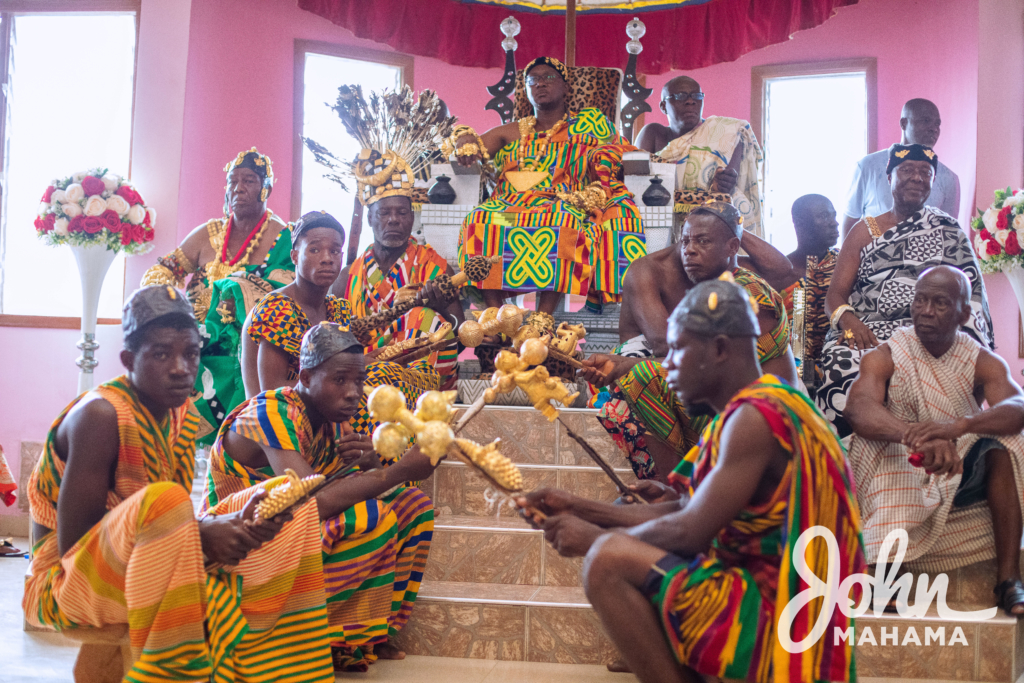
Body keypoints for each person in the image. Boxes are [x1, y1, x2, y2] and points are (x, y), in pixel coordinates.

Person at [518, 279, 864, 683]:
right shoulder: (754, 407)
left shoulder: (757, 416)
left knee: (607, 561)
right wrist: (576, 507)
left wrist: (592, 536)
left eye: (677, 352)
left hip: (787, 624)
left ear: (718, 348)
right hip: (785, 612)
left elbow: (689, 532)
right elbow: (686, 507)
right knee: (628, 515)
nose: (667, 368)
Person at [23, 286, 334, 682]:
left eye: (190, 354)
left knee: (289, 498)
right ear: (128, 360)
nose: (180, 368)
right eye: (160, 354)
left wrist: (237, 524)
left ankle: (280, 670)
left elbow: (165, 518)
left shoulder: (183, 415)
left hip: (148, 552)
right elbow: (76, 546)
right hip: (68, 583)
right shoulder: (100, 416)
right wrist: (200, 534)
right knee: (169, 500)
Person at [205, 323, 438, 671]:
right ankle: (300, 634)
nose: (353, 393)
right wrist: (397, 470)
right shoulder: (272, 410)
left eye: (359, 381)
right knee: (370, 517)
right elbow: (312, 504)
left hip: (286, 537)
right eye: (340, 380)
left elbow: (341, 488)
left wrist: (371, 463)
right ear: (306, 375)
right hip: (240, 543)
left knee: (413, 507)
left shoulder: (330, 420)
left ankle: (361, 634)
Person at [845, 266, 1024, 615]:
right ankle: (884, 570)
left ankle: (1009, 580)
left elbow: (1018, 406)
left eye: (940, 303)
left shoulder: (979, 359)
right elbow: (858, 408)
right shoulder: (888, 354)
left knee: (1009, 445)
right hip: (903, 457)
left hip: (956, 465)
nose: (926, 311)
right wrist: (913, 437)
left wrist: (960, 427)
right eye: (920, 300)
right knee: (875, 444)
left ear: (963, 313)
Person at [585, 201, 796, 480]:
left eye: (703, 241)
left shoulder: (749, 295)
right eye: (685, 241)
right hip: (731, 405)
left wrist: (624, 365)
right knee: (637, 379)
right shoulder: (709, 290)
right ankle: (673, 488)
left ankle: (671, 488)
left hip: (767, 415)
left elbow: (708, 369)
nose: (689, 249)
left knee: (643, 375)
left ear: (733, 247)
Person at [818, 144, 992, 439]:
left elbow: (971, 294)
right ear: (889, 177)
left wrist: (966, 338)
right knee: (840, 366)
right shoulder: (864, 230)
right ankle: (848, 460)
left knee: (962, 366)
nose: (917, 177)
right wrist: (850, 322)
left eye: (925, 172)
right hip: (869, 331)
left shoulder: (948, 229)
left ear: (933, 182)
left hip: (931, 331)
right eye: (907, 170)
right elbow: (834, 295)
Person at [453, 56, 646, 316]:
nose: (540, 84)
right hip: (511, 208)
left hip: (562, 203)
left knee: (564, 221)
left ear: (566, 87)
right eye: (533, 80)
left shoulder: (591, 125)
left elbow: (620, 151)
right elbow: (474, 146)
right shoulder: (511, 131)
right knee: (480, 219)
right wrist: (463, 136)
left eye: (549, 78)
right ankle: (496, 316)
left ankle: (543, 317)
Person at [141, 147, 294, 444]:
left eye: (249, 180)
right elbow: (164, 269)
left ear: (266, 188)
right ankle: (168, 440)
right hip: (194, 330)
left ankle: (233, 443)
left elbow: (286, 290)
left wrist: (238, 288)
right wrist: (169, 301)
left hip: (244, 336)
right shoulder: (207, 233)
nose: (238, 188)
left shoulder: (282, 237)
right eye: (233, 181)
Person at [246, 211, 440, 436]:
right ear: (294, 256)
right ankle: (372, 461)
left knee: (405, 376)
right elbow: (273, 391)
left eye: (335, 250)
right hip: (277, 421)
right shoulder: (277, 307)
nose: (327, 258)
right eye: (315, 249)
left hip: (319, 410)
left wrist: (370, 362)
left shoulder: (336, 310)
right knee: (379, 380)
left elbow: (336, 370)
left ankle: (390, 459)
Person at [331, 194, 464, 389]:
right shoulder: (347, 277)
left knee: (422, 316)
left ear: (411, 218)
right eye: (384, 213)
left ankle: (410, 393)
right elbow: (333, 341)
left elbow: (462, 340)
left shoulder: (435, 269)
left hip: (422, 378)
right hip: (364, 374)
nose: (393, 219)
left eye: (402, 213)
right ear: (369, 218)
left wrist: (441, 311)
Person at [635, 75, 764, 236]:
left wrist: (724, 182)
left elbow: (726, 187)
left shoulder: (729, 133)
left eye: (696, 96)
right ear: (663, 106)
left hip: (707, 228)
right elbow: (635, 181)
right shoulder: (652, 133)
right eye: (680, 96)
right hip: (658, 225)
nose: (690, 101)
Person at [842, 98, 960, 238]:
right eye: (926, 121)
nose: (933, 129)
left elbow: (948, 233)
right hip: (871, 256)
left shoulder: (949, 179)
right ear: (903, 123)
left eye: (937, 124)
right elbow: (850, 222)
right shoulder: (867, 167)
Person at [763, 195, 841, 390]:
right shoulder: (780, 273)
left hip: (841, 361)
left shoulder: (844, 264)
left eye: (833, 216)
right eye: (824, 216)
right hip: (795, 371)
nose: (834, 223)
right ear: (798, 223)